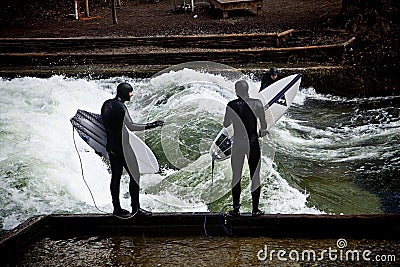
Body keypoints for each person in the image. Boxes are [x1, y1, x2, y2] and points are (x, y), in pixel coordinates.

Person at [101, 82, 164, 217]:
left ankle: (117, 209)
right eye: (130, 92)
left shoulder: (106, 104)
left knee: (116, 177)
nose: (132, 94)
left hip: (111, 147)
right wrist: (152, 125)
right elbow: (131, 126)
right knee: (135, 175)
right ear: (124, 93)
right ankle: (136, 209)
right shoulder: (121, 107)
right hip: (123, 147)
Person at [223, 80, 268, 217]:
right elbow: (264, 125)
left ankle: (236, 209)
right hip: (252, 143)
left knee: (236, 176)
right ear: (248, 90)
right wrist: (262, 131)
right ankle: (255, 210)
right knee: (255, 176)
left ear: (236, 91)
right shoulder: (257, 103)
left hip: (237, 144)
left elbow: (226, 124)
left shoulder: (231, 105)